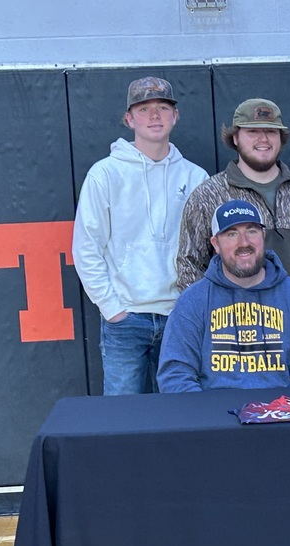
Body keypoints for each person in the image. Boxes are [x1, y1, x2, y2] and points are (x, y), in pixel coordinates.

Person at [72, 76, 208, 395]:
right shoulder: (105, 174)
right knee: (122, 420)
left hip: (180, 317)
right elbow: (86, 247)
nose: (155, 115)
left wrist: (192, 306)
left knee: (182, 416)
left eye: (163, 107)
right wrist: (112, 308)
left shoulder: (195, 176)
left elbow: (208, 249)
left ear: (176, 116)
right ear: (129, 119)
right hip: (125, 318)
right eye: (144, 108)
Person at [175, 98, 290, 325]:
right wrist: (217, 320)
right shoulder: (208, 196)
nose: (263, 139)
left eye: (271, 132)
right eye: (253, 131)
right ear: (235, 137)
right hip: (232, 339)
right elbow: (190, 266)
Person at [157, 201, 290, 392]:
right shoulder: (193, 301)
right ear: (216, 244)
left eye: (252, 231)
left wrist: (287, 413)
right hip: (214, 416)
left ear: (263, 236)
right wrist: (207, 417)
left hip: (281, 416)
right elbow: (175, 375)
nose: (244, 243)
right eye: (231, 234)